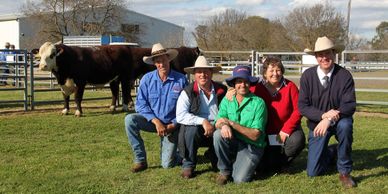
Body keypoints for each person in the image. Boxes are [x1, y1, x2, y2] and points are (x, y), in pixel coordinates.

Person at [299, 36, 357, 188]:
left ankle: (344, 172)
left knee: (345, 126)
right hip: (317, 124)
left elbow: (349, 105)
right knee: (313, 172)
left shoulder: (344, 76)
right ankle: (334, 152)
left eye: (327, 53)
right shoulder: (307, 76)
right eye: (320, 54)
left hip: (339, 121)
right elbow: (303, 106)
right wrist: (323, 116)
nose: (324, 57)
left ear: (334, 54)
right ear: (316, 57)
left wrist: (329, 119)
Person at [124, 43, 188, 173]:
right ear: (154, 63)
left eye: (163, 60)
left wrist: (174, 124)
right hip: (153, 122)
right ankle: (140, 159)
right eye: (158, 61)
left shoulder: (181, 80)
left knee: (167, 165)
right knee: (129, 120)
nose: (161, 64)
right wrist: (156, 121)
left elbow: (186, 107)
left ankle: (179, 155)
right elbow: (140, 104)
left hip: (172, 125)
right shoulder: (147, 79)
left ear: (168, 59)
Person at [213, 65, 267, 185]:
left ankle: (244, 164)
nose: (242, 85)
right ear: (234, 83)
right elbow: (218, 121)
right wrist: (224, 125)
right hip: (234, 141)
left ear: (250, 83)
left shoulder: (258, 103)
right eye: (239, 81)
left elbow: (255, 135)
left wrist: (231, 123)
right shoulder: (227, 100)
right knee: (218, 135)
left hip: (252, 145)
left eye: (246, 81)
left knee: (239, 180)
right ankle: (224, 171)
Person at [176, 56, 227, 179]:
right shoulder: (187, 92)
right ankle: (188, 164)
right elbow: (180, 116)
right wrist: (202, 121)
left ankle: (216, 158)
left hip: (217, 126)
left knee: (222, 134)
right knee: (190, 130)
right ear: (194, 74)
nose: (202, 75)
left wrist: (219, 124)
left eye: (206, 71)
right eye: (199, 71)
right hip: (198, 128)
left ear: (211, 73)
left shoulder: (222, 90)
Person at [253, 56, 305, 173]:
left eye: (278, 70)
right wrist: (231, 92)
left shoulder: (290, 86)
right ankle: (274, 161)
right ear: (265, 73)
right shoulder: (257, 88)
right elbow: (242, 90)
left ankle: (285, 163)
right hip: (266, 132)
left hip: (286, 130)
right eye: (271, 71)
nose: (275, 74)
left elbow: (298, 109)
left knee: (297, 140)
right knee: (266, 166)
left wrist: (286, 130)